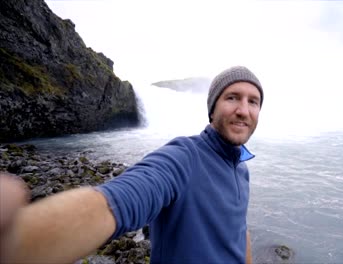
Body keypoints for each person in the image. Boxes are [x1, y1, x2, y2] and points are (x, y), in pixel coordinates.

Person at [0, 65, 264, 264]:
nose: (243, 110)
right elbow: (119, 201)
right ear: (213, 108)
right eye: (232, 97)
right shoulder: (184, 157)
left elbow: (240, 229)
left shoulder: (241, 168)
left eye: (253, 101)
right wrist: (20, 239)